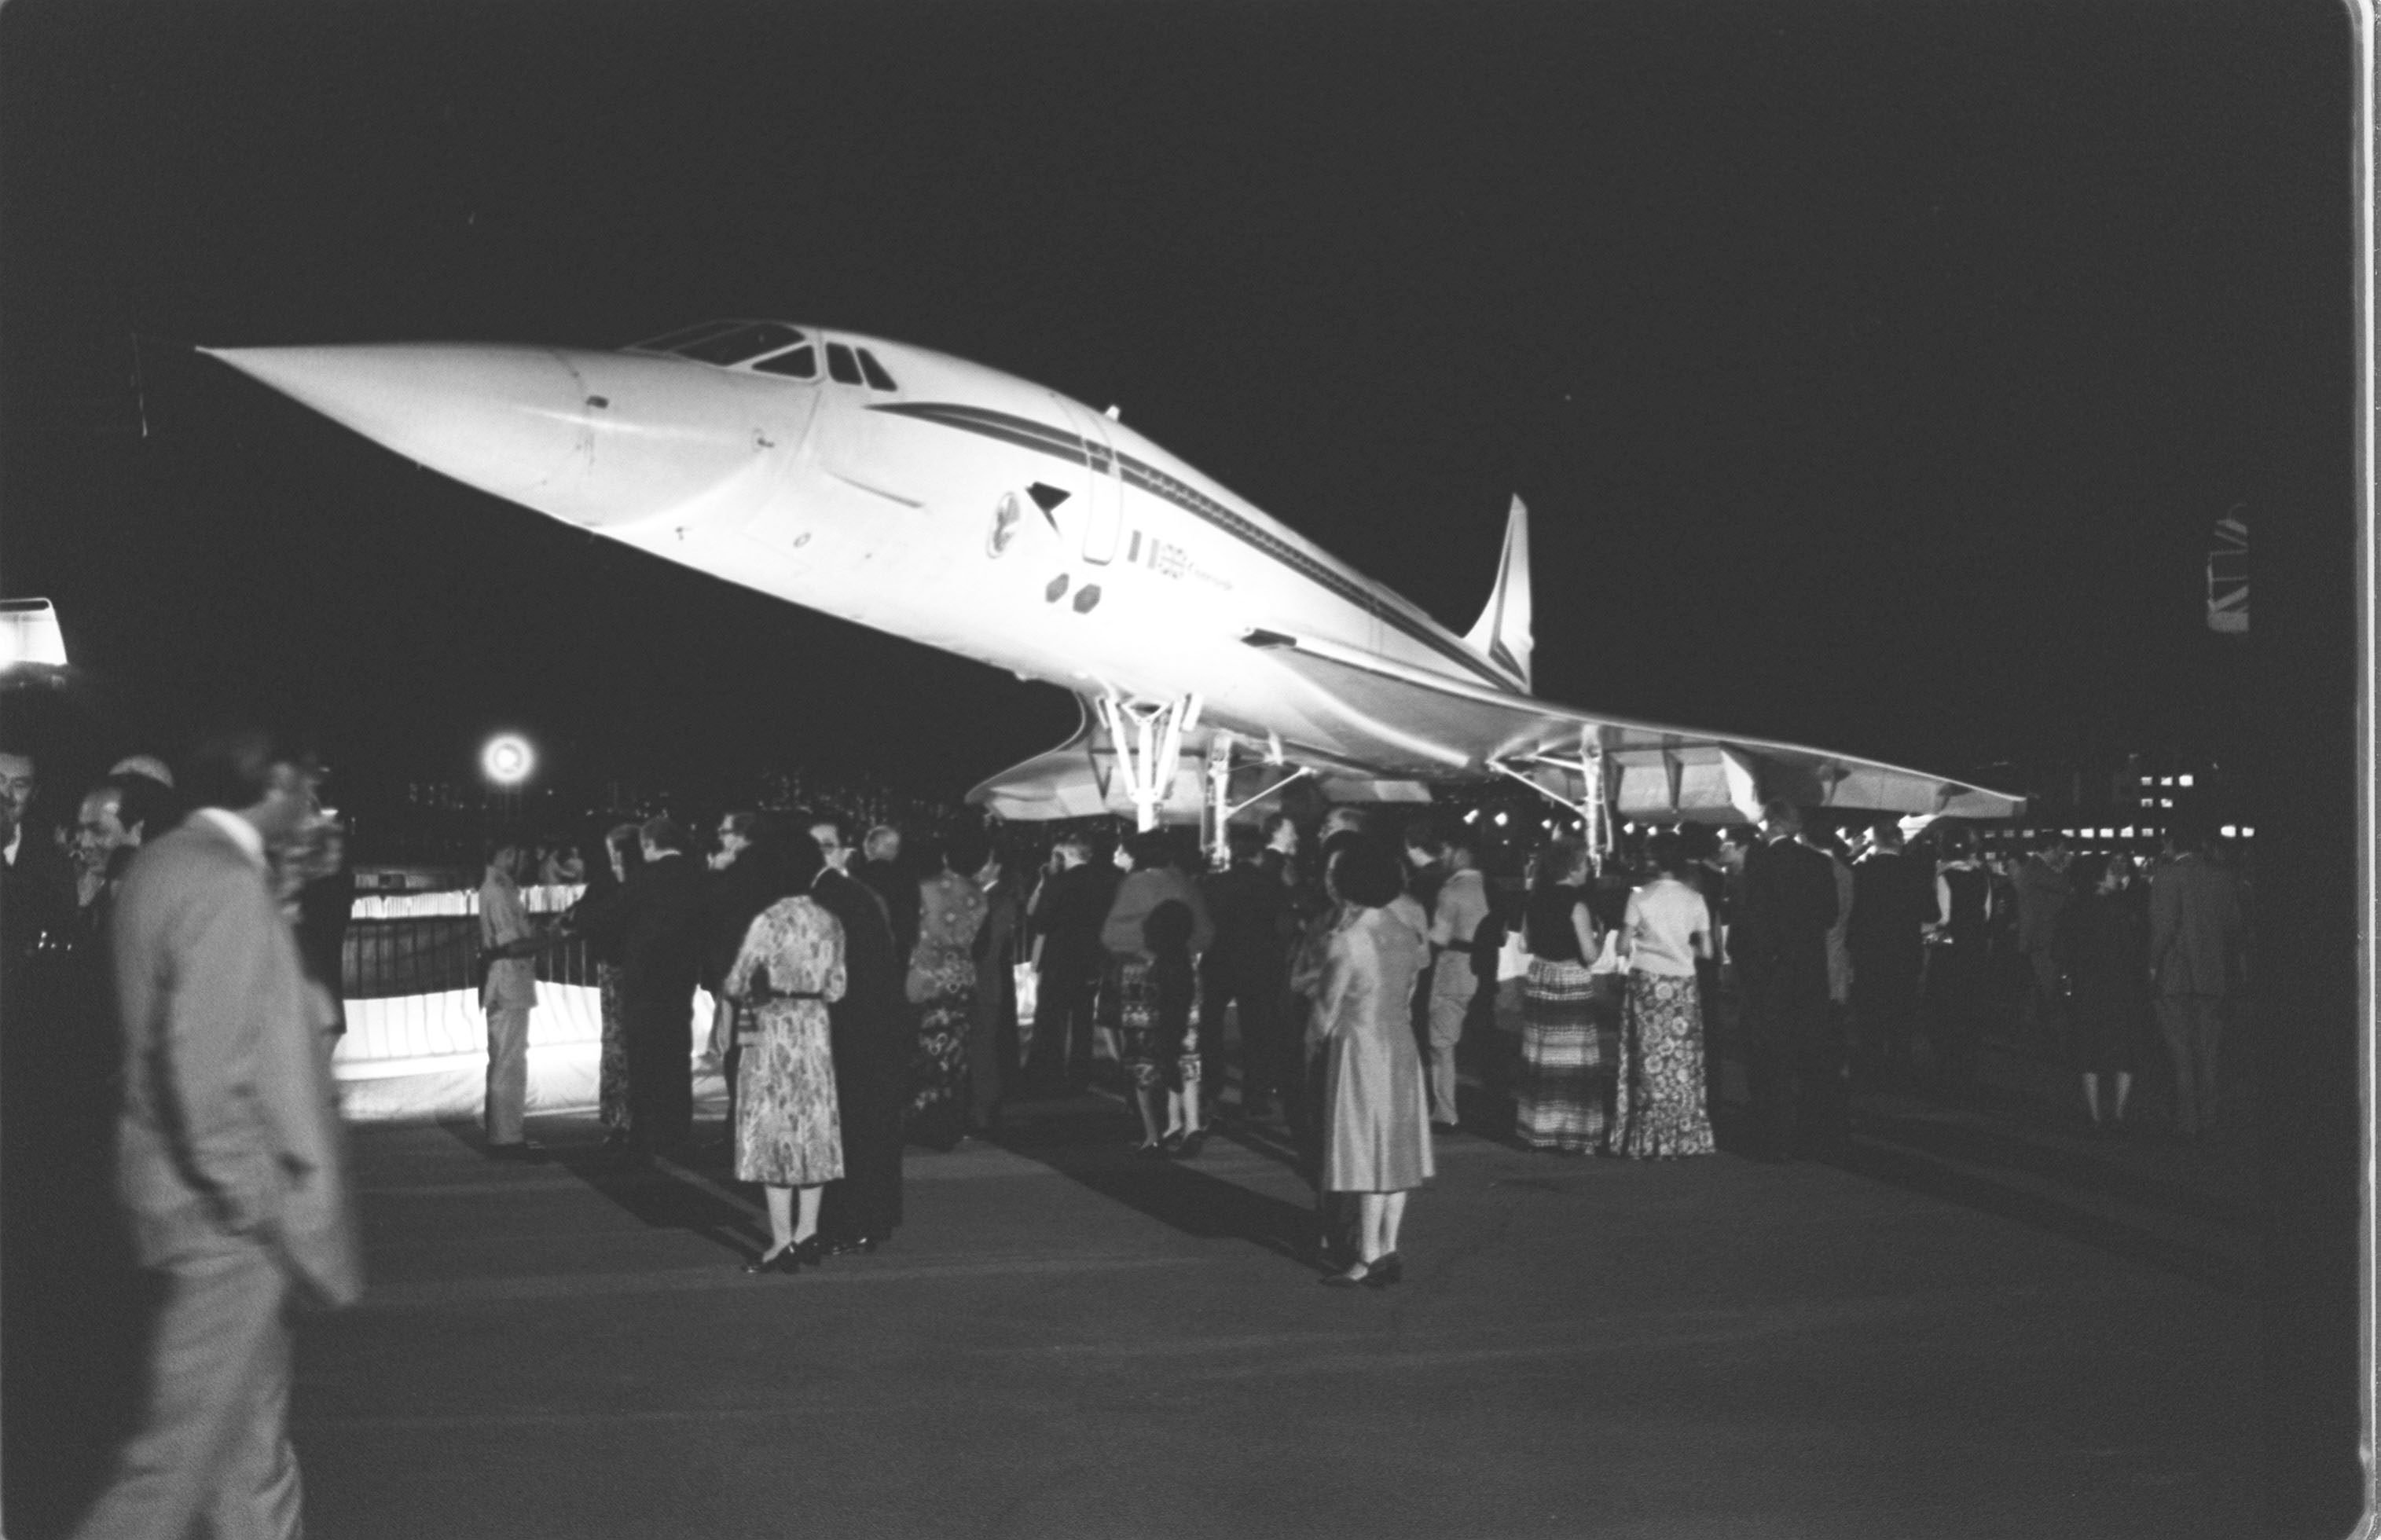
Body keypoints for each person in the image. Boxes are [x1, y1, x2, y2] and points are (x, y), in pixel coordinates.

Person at [72, 721, 361, 1540]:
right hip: (227, 1223)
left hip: (171, 1200)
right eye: (304, 789)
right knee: (172, 1466)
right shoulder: (224, 883)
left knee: (240, 1446)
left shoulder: (164, 864)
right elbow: (209, 1074)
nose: (311, 808)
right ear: (269, 784)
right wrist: (257, 1203)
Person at [722, 834, 847, 1274]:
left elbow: (737, 980)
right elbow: (837, 987)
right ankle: (808, 1233)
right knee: (813, 1126)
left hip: (773, 1028)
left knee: (774, 1128)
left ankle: (780, 1242)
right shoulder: (829, 921)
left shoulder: (769, 920)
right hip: (814, 1028)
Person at [1312, 838, 1433, 1288]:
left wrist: (1315, 1041)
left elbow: (1327, 1007)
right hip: (1399, 1041)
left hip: (1359, 1046)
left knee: (1363, 1148)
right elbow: (1408, 993)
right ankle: (1387, 1245)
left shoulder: (1348, 940)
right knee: (1397, 1148)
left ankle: (1365, 1254)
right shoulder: (1406, 934)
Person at [574, 816, 709, 1155]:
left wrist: (576, 918)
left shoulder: (647, 878)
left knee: (646, 1057)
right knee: (677, 1054)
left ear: (649, 844)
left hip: (646, 980)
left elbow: (612, 913)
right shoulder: (696, 877)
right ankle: (677, 1129)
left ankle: (648, 1132)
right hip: (681, 977)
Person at [809, 811, 907, 1254]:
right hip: (857, 1023)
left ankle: (860, 1216)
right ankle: (862, 1215)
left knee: (857, 1122)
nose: (821, 854)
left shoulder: (851, 896)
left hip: (857, 1025)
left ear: (845, 850)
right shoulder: (840, 895)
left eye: (828, 845)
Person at [1736, 801, 1841, 1160]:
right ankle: (1815, 1131)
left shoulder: (1760, 862)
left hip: (1771, 970)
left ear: (1774, 824)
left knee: (1772, 1056)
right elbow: (1830, 916)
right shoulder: (1819, 863)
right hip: (1809, 969)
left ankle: (1774, 1134)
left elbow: (1750, 918)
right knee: (1811, 1052)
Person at [1102, 830, 1216, 1153]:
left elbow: (1112, 936)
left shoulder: (1134, 885)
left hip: (1142, 974)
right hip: (1184, 968)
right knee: (1185, 1044)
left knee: (1146, 1050)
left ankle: (1160, 1128)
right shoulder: (1183, 883)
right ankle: (1190, 1122)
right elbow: (1205, 934)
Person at [1612, 832, 1717, 1157]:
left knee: (1646, 1056)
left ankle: (1646, 1134)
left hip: (1646, 979)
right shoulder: (1695, 898)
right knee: (1681, 1058)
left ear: (1654, 860)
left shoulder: (1640, 896)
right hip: (1682, 983)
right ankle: (1683, 1132)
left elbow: (1620, 945)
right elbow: (1708, 951)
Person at [2148, 820, 2245, 1138]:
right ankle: (2210, 1117)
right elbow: (2233, 928)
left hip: (2176, 975)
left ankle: (2188, 1121)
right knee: (2209, 1051)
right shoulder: (2223, 877)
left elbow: (2162, 928)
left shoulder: (2168, 875)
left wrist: (2152, 966)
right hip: (2212, 975)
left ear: (2171, 843)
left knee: (2181, 1052)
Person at [1513, 836, 1606, 1154]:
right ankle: (1571, 1131)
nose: (1589, 870)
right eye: (1585, 864)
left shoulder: (1535, 899)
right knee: (1571, 1059)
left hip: (1541, 977)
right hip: (1569, 980)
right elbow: (1590, 955)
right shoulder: (1577, 905)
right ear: (1573, 867)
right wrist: (1602, 938)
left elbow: (1523, 945)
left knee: (1541, 1054)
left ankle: (1539, 1128)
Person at [1199, 823, 1292, 1123]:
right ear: (1260, 852)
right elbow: (1282, 924)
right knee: (1257, 1030)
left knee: (1210, 1027)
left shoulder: (1214, 884)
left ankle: (1211, 1087)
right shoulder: (1271, 884)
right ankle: (1255, 1094)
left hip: (1220, 958)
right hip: (1258, 962)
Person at [2056, 852, 2149, 1132]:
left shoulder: (2074, 909)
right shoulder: (2124, 909)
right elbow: (2136, 949)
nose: (2118, 876)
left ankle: (2095, 1114)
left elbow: (2060, 950)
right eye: (2113, 871)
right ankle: (2119, 1112)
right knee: (2124, 1050)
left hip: (2088, 985)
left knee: (2089, 1050)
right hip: (2122, 986)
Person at [906, 833, 988, 1150]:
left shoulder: (925, 888)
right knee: (955, 1052)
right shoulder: (978, 894)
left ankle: (921, 1119)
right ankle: (950, 1122)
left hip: (926, 973)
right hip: (962, 974)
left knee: (923, 1047)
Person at [1024, 832, 1121, 1092]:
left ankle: (1049, 1070)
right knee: (1083, 1016)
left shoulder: (1060, 882)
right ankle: (1080, 1071)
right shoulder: (1103, 883)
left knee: (1052, 1015)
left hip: (1059, 956)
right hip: (1090, 957)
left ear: (1066, 854)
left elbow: (1040, 920)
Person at [567, 823, 644, 1146]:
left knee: (617, 1044)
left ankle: (621, 1118)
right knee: (630, 1044)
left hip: (617, 968)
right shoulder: (639, 882)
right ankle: (632, 1118)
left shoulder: (609, 883)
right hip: (635, 969)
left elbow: (584, 915)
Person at [477, 840, 548, 1157]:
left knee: (505, 1060)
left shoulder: (496, 887)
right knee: (509, 1062)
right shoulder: (500, 891)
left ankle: (503, 1134)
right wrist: (551, 938)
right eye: (522, 853)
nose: (527, 861)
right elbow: (512, 944)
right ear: (508, 853)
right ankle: (506, 1138)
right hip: (509, 981)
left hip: (504, 981)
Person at [1849, 822, 1932, 1089]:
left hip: (1869, 953)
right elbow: (1933, 914)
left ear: (1876, 841)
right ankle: (1900, 1069)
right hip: (1905, 952)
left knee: (1870, 1013)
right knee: (1902, 1013)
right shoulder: (1916, 873)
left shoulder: (1861, 873)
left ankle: (1871, 1068)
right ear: (1899, 841)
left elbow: (1852, 915)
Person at [1422, 828, 1491, 1131]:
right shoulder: (1492, 888)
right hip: (1489, 967)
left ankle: (1445, 1111)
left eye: (1448, 851)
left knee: (1442, 1042)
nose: (1444, 857)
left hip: (1455, 966)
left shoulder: (1451, 891)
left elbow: (1439, 936)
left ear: (1462, 854)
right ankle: (1492, 1101)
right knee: (1488, 1040)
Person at [965, 830, 1028, 1137]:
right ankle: (985, 1107)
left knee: (983, 1045)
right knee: (984, 1044)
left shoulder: (995, 900)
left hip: (985, 980)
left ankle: (983, 1110)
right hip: (988, 980)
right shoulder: (994, 897)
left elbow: (989, 948)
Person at [1926, 823, 1995, 1098]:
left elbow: (1943, 918)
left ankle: (1947, 1074)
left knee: (1946, 1013)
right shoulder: (1982, 876)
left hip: (1951, 955)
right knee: (1970, 1013)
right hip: (1975, 953)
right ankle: (1968, 1073)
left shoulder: (1945, 877)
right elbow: (1987, 914)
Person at [2012, 831, 2075, 1057]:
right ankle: (2055, 1042)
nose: (2065, 853)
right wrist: (2067, 868)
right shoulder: (2037, 870)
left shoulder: (2035, 869)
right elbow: (2064, 887)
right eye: (2062, 848)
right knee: (2050, 990)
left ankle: (2034, 1037)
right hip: (2043, 940)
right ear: (2051, 848)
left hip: (2041, 939)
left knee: (2041, 990)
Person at [857, 823, 921, 967]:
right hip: (899, 953)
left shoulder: (857, 879)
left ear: (871, 846)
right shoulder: (908, 880)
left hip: (866, 953)